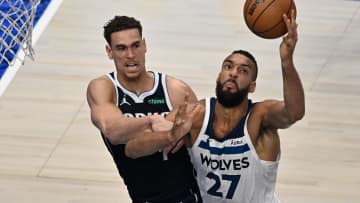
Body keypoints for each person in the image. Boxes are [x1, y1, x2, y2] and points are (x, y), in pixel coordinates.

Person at [125, 10, 305, 203]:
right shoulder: (196, 114)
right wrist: (170, 135)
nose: (233, 73)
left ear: (252, 86)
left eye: (243, 70)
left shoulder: (259, 116)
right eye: (228, 67)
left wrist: (287, 62)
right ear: (219, 76)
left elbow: (294, 112)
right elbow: (132, 149)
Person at [86, 15, 202, 203]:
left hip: (188, 195)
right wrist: (153, 121)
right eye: (121, 48)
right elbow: (112, 130)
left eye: (135, 45)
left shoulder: (175, 89)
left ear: (145, 45)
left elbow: (200, 136)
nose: (130, 55)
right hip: (143, 197)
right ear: (109, 52)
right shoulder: (104, 88)